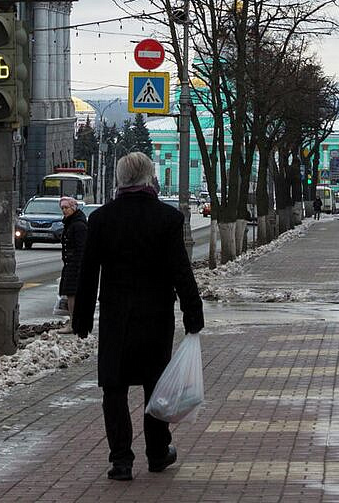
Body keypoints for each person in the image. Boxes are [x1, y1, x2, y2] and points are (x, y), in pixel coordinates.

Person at [72, 151, 204, 483]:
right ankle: (158, 453)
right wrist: (193, 312)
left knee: (113, 388)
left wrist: (82, 317)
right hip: (155, 316)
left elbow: (89, 273)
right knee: (154, 387)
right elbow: (181, 272)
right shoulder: (167, 219)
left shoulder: (102, 219)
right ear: (149, 178)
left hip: (116, 317)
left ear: (119, 179)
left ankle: (121, 461)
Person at [56, 195, 89, 314]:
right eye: (62, 208)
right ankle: (73, 321)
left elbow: (81, 248)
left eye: (66, 208)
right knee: (70, 293)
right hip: (70, 264)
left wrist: (78, 265)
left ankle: (73, 323)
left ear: (73, 208)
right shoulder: (70, 223)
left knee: (72, 294)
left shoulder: (78, 225)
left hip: (75, 265)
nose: (64, 210)